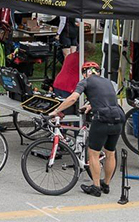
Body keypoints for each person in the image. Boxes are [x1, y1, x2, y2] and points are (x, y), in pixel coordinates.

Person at [48, 61, 125, 197]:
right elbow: (106, 98)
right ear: (98, 72)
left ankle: (95, 187)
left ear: (84, 73)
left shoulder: (85, 82)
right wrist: (90, 105)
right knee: (110, 153)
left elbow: (73, 98)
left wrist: (56, 110)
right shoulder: (107, 82)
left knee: (93, 154)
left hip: (102, 120)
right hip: (118, 118)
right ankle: (105, 184)